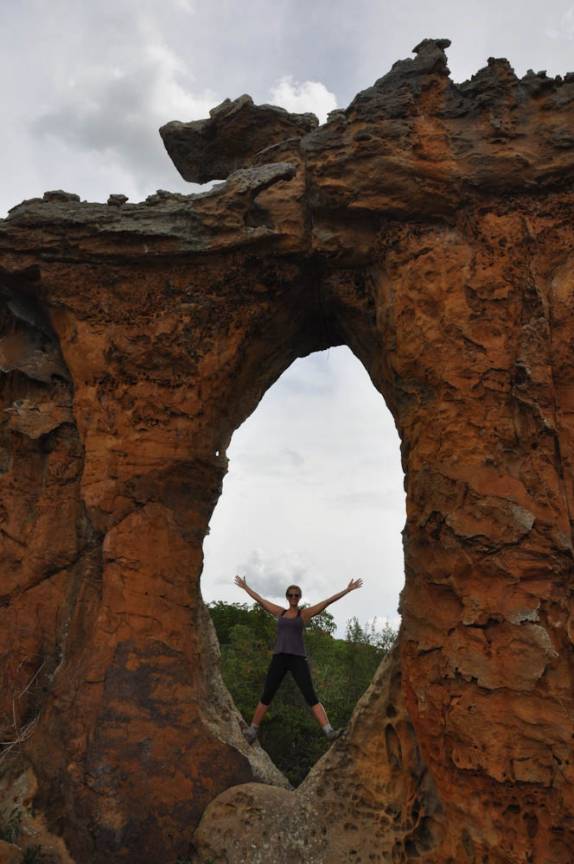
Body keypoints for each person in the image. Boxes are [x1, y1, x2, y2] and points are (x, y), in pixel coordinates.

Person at [233, 574, 363, 744]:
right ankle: (252, 731)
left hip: (297, 659)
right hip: (279, 657)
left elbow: (327, 602)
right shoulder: (280, 612)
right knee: (268, 693)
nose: (293, 597)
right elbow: (260, 600)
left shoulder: (304, 614)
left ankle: (329, 731)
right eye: (290, 594)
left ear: (299, 597)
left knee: (310, 695)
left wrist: (347, 590)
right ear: (287, 597)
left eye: (296, 595)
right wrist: (245, 587)